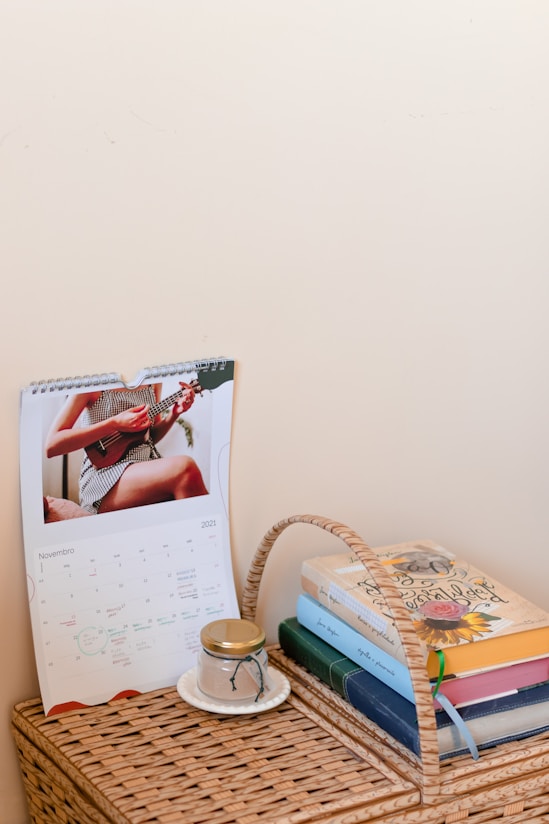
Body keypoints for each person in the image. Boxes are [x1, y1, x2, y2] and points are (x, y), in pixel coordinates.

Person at [45, 381, 208, 515]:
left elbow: (150, 437)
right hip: (104, 476)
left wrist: (174, 413)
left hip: (144, 465)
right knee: (185, 469)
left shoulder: (153, 382)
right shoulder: (93, 384)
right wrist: (113, 423)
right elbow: (52, 445)